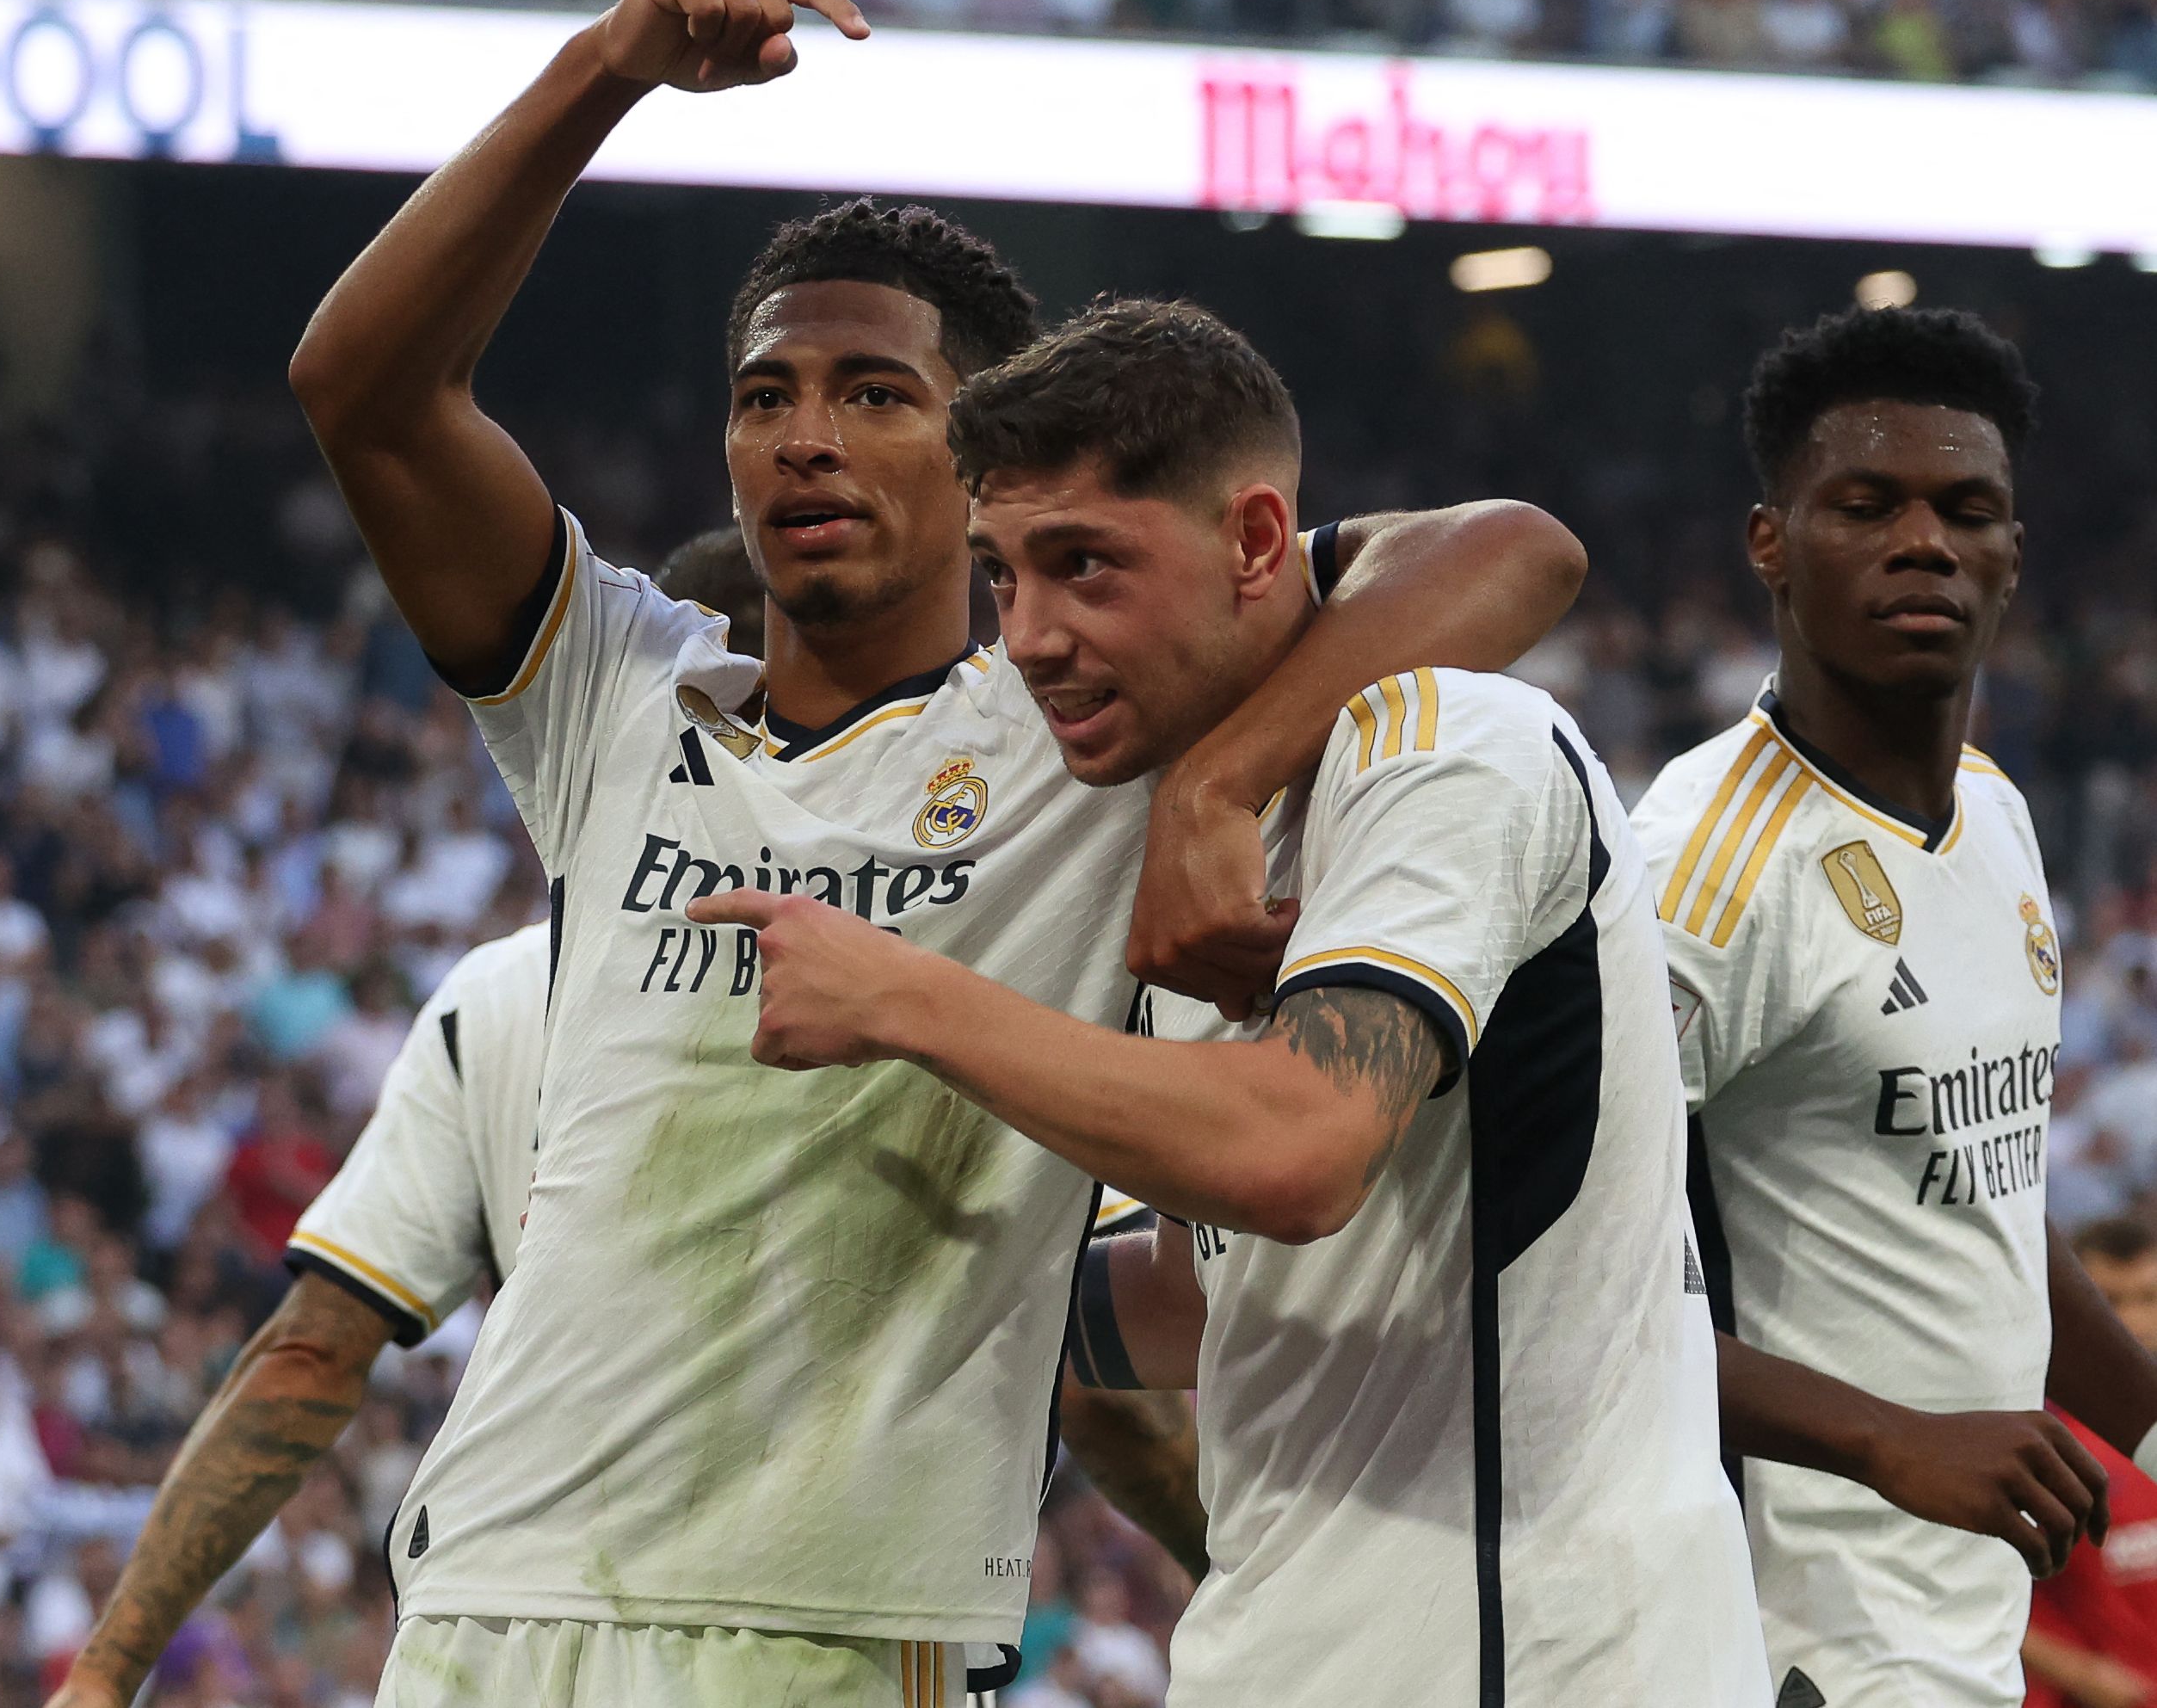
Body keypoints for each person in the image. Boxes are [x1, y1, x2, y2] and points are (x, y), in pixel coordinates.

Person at [285, 0, 1587, 1705]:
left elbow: (1510, 547)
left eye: (872, 395)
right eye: (765, 396)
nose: (804, 436)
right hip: (494, 1594)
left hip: (841, 1616)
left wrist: (1213, 780)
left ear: (981, 462)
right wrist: (605, 68)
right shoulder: (614, 689)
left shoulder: (1076, 720)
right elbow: (362, 387)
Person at [691, 297, 1770, 1704]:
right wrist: (885, 1281)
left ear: (1257, 543)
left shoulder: (1450, 748)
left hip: (1527, 1662)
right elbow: (1220, 1297)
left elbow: (1293, 1150)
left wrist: (906, 998)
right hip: (1296, 1648)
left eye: (1084, 566)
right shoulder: (1190, 821)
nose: (1024, 636)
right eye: (1001, 576)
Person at [40, 537, 1208, 1708]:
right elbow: (1083, 1375)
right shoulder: (953, 949)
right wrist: (1227, 1568)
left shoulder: (491, 993)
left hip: (506, 1593)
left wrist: (104, 1671)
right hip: (814, 1601)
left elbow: (309, 1349)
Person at [1630, 305, 2157, 1708]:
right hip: (1776, 1643)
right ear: (1769, 545)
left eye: (1962, 510)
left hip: (1958, 1623)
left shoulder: (1991, 813)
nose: (1921, 541)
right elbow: (1548, 1283)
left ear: (2009, 556)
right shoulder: (1697, 873)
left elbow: (1973, 1202)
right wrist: (1881, 1441)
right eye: (1863, 505)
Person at [2024, 1216, 2157, 1708]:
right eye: (2110, 1302)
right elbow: (1966, 1588)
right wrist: (2084, 1675)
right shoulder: (2035, 1438)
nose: (2132, 1321)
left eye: (2148, 1298)